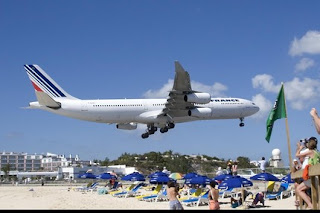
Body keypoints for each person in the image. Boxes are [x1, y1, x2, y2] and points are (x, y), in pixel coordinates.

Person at [295, 137, 320, 209]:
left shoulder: (310, 151)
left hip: (313, 177)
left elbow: (297, 155)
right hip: (317, 176)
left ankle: (310, 204)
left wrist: (299, 148)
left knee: (299, 189)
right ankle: (310, 203)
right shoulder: (317, 152)